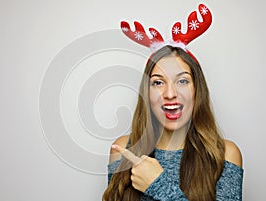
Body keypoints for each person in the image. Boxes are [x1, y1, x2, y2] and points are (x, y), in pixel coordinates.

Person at [102, 45, 243, 201]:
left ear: (197, 90)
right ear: (147, 93)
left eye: (182, 81)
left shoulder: (225, 154)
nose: (170, 94)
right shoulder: (123, 150)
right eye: (158, 83)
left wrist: (158, 185)